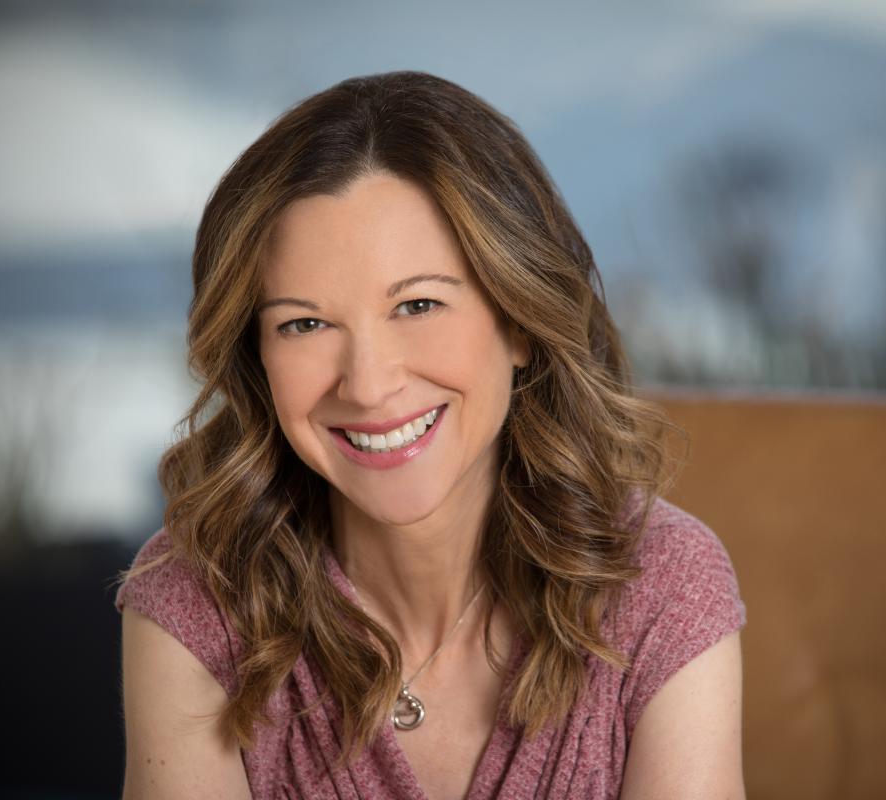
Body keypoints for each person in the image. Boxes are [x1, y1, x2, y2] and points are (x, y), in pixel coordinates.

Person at [115, 70, 747, 800]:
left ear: (519, 321)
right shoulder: (197, 603)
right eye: (305, 324)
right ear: (257, 358)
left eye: (417, 304)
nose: (369, 384)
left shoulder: (663, 589)